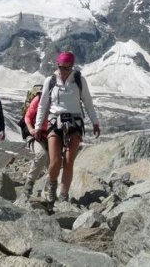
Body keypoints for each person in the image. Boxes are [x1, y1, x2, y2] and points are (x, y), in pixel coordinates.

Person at [34, 52, 100, 204]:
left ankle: (63, 194)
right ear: (57, 65)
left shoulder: (79, 80)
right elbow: (43, 104)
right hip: (54, 121)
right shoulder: (50, 81)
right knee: (55, 160)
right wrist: (38, 126)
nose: (63, 71)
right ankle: (51, 186)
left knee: (69, 160)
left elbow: (88, 102)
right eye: (61, 67)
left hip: (75, 122)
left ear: (72, 66)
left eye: (67, 68)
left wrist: (95, 122)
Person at [21, 88, 49, 198]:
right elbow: (27, 117)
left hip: (49, 136)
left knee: (53, 164)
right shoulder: (39, 98)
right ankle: (28, 186)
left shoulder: (60, 99)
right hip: (33, 135)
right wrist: (32, 130)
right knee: (42, 154)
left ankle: (48, 194)